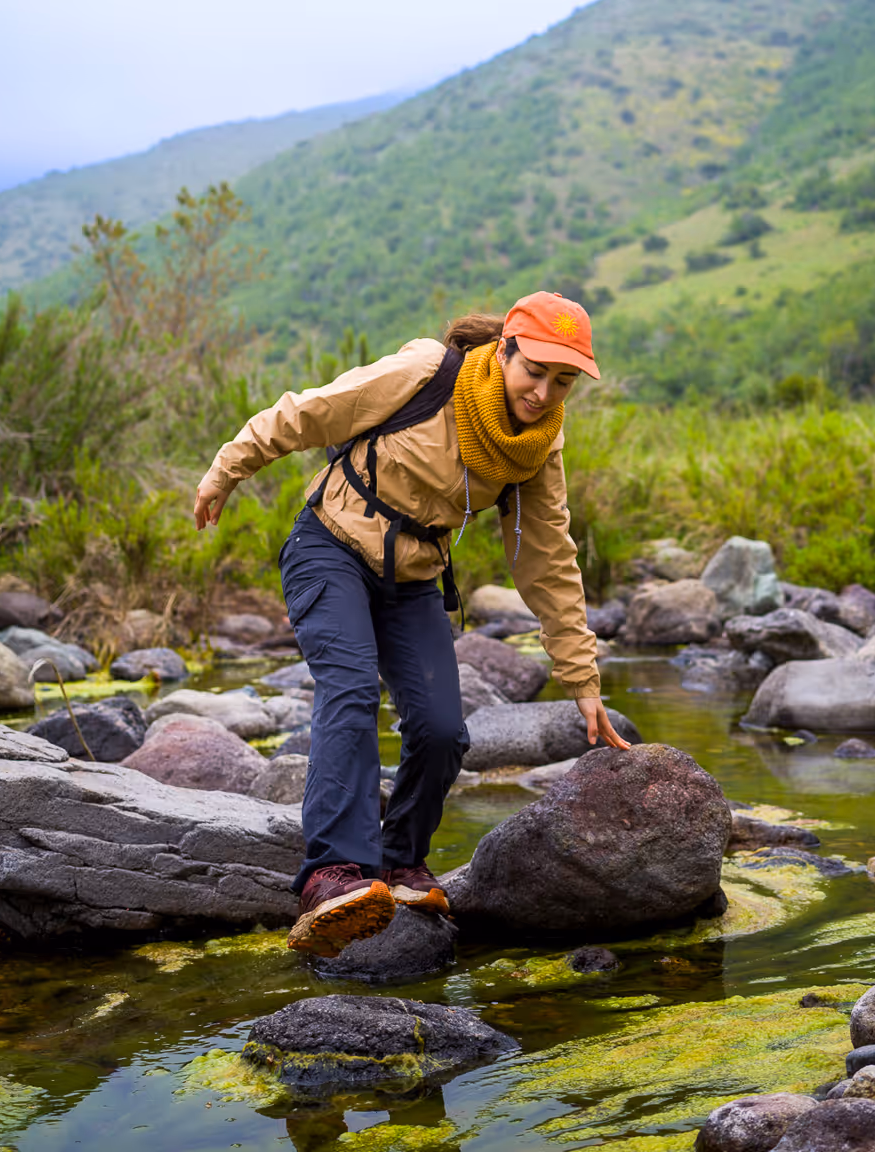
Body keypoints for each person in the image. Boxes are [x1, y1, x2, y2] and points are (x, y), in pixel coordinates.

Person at [193, 291, 631, 957]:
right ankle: (332, 875)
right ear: (505, 349)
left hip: (414, 579)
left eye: (562, 380)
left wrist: (581, 676)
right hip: (330, 550)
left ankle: (399, 862)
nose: (543, 393)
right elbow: (308, 413)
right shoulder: (428, 374)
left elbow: (549, 557)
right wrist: (227, 468)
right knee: (350, 691)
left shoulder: (538, 444)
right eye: (534, 371)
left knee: (442, 729)